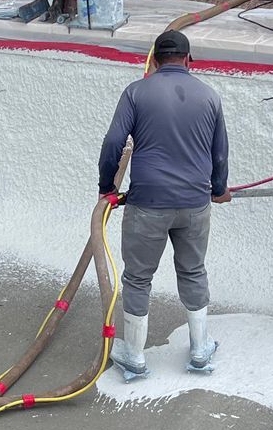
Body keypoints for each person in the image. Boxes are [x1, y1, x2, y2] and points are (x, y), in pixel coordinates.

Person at [98, 29, 231, 379]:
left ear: (155, 60)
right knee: (193, 270)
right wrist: (218, 189)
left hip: (148, 203)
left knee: (139, 278)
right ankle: (201, 349)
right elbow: (220, 153)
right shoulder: (210, 96)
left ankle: (134, 356)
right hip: (195, 204)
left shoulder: (136, 92)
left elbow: (113, 142)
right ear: (189, 61)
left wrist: (106, 187)